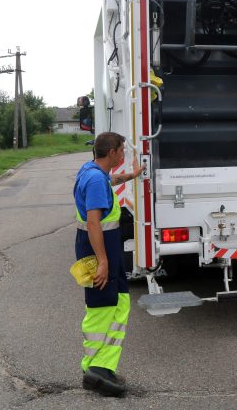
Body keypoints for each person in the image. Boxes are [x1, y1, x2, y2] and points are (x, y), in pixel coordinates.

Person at [73, 131, 145, 396]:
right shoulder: (93, 179)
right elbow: (93, 222)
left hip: (105, 251)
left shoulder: (92, 172)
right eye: (122, 151)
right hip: (99, 251)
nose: (124, 154)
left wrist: (132, 176)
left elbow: (109, 181)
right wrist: (102, 262)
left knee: (118, 303)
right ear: (112, 152)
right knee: (101, 308)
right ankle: (93, 369)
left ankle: (102, 365)